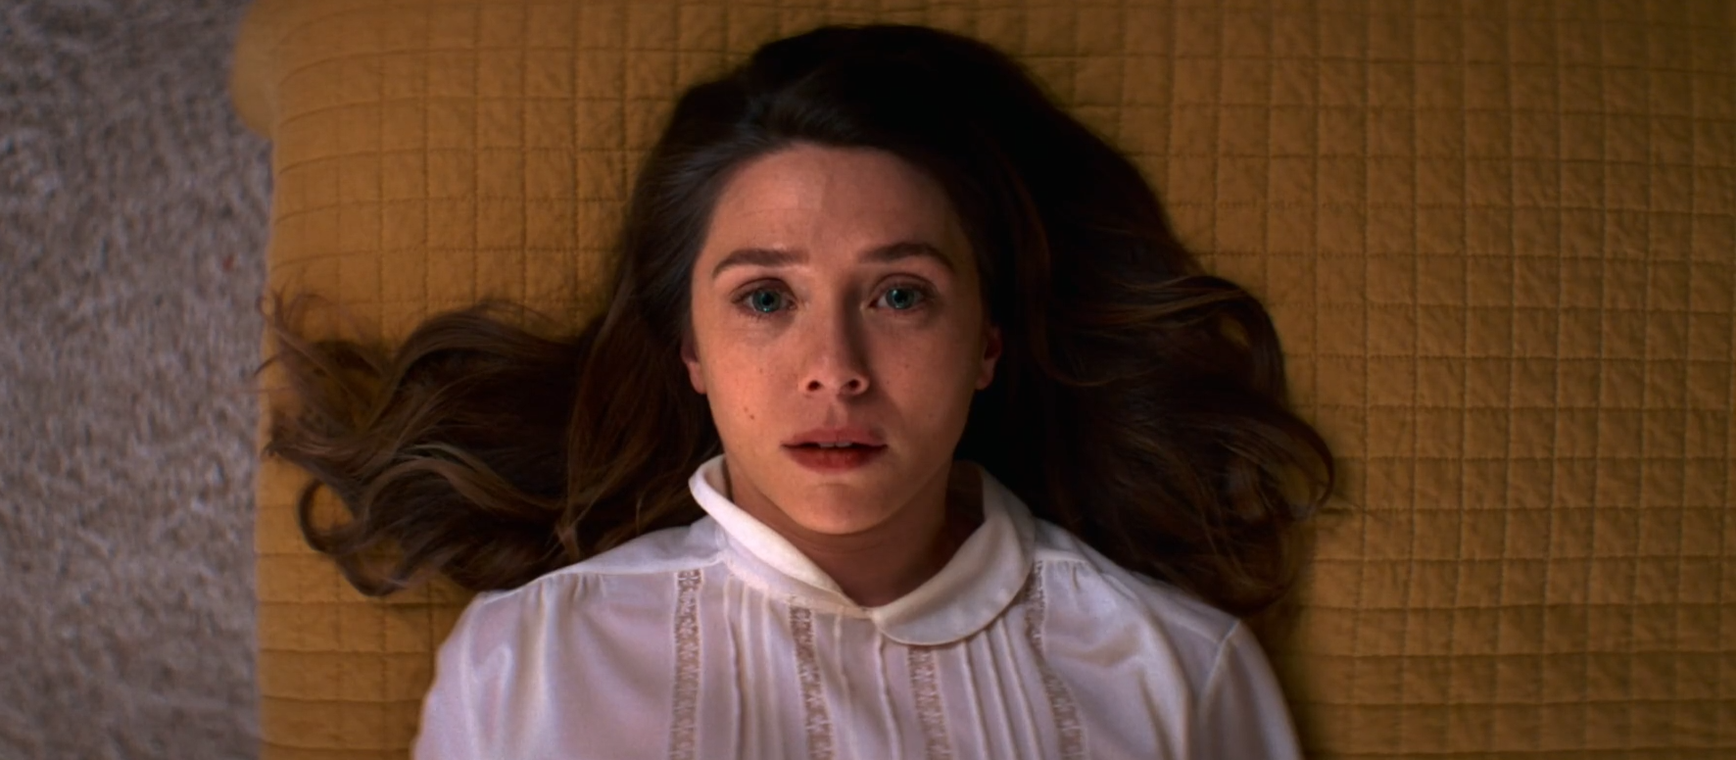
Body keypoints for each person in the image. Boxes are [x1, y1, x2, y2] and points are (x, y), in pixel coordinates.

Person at [267, 22, 1334, 760]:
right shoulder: (526, 661)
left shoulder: (1175, 672)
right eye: (766, 298)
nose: (835, 366)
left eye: (901, 294)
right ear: (690, 349)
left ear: (987, 343)